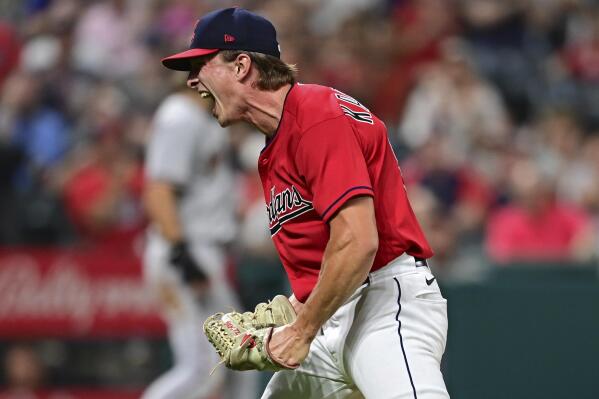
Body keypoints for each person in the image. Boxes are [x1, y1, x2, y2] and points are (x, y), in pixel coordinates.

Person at [161, 7, 449, 398]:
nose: (193, 80)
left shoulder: (314, 115)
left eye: (201, 64)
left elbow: (358, 241)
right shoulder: (275, 143)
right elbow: (328, 247)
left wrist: (300, 330)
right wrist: (300, 307)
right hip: (334, 318)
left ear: (242, 65)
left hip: (382, 306)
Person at [142, 85, 257, 399]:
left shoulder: (203, 118)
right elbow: (158, 190)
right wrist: (183, 257)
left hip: (202, 249)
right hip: (186, 250)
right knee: (202, 367)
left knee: (239, 361)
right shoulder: (180, 116)